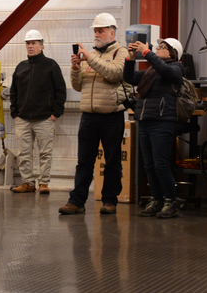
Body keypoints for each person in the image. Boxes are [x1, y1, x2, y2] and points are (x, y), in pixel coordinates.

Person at [58, 13, 129, 216]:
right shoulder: (92, 55)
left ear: (112, 32)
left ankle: (109, 200)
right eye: (95, 30)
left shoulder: (120, 53)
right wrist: (75, 68)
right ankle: (77, 201)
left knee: (112, 160)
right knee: (84, 161)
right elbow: (79, 86)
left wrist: (89, 59)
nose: (97, 34)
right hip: (88, 116)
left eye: (101, 30)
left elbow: (115, 73)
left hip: (111, 115)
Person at [124, 36, 186, 219]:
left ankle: (171, 201)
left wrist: (147, 52)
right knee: (149, 165)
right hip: (145, 120)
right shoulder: (152, 70)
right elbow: (130, 78)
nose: (158, 48)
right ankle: (157, 199)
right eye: (158, 46)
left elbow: (166, 70)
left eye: (163, 47)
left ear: (173, 53)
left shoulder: (176, 68)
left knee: (161, 165)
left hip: (162, 121)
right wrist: (130, 58)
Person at [9, 29, 67, 194]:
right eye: (28, 43)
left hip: (44, 119)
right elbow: (14, 92)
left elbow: (60, 91)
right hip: (23, 119)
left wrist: (55, 113)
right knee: (24, 153)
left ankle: (43, 183)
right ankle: (28, 182)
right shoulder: (20, 67)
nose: (30, 46)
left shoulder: (51, 65)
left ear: (41, 46)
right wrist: (15, 113)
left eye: (34, 43)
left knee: (45, 153)